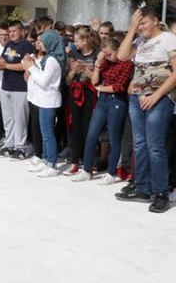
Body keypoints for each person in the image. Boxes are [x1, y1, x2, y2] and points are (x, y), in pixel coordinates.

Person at [115, 6, 176, 213]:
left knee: (155, 146)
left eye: (143, 23)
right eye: (138, 23)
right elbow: (122, 56)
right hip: (137, 98)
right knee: (139, 144)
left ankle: (161, 193)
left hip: (160, 98)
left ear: (155, 20)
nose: (141, 27)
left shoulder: (168, 38)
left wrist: (156, 96)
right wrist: (132, 28)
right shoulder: (139, 41)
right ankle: (142, 187)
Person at [71, 33, 133, 184]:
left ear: (117, 50)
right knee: (92, 135)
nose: (107, 56)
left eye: (109, 53)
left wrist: (101, 88)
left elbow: (119, 87)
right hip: (103, 101)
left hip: (116, 101)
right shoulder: (105, 62)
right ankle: (86, 169)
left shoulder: (126, 63)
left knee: (113, 138)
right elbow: (94, 81)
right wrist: (98, 65)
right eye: (104, 53)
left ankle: (111, 173)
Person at [24, 30, 66, 178]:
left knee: (48, 133)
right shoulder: (48, 58)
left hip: (49, 101)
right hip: (43, 100)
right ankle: (46, 159)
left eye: (42, 41)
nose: (39, 43)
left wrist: (31, 67)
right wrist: (33, 65)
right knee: (44, 132)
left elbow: (43, 81)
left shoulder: (52, 60)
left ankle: (52, 164)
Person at [0, 20, 35, 158]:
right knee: (8, 118)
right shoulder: (9, 44)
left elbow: (24, 66)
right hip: (6, 86)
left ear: (22, 31)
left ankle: (20, 147)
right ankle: (8, 145)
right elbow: (3, 60)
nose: (11, 34)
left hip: (20, 88)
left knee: (20, 118)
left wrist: (6, 66)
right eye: (10, 32)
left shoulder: (27, 45)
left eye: (14, 31)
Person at [64, 26, 101, 175]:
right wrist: (73, 71)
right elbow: (67, 80)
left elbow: (96, 80)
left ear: (85, 40)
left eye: (77, 40)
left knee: (88, 129)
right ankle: (74, 161)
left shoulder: (97, 55)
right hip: (75, 92)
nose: (74, 43)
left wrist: (84, 69)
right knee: (75, 128)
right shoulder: (73, 54)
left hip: (90, 93)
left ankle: (88, 163)